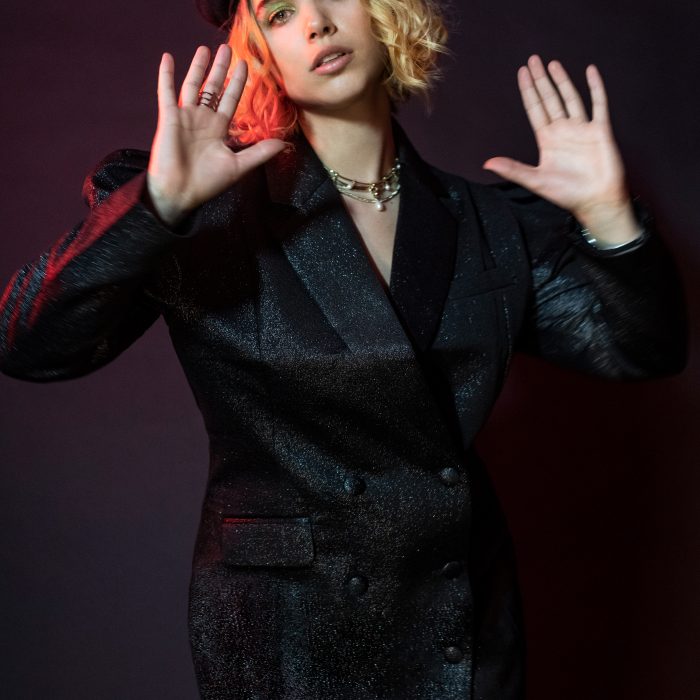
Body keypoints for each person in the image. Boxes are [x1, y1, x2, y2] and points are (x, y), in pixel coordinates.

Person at [0, 0, 688, 698]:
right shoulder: (208, 205)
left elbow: (638, 349)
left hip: (462, 629)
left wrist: (611, 220)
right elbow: (30, 345)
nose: (316, 23)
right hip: (292, 639)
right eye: (280, 12)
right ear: (259, 49)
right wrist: (160, 207)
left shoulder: (484, 223)